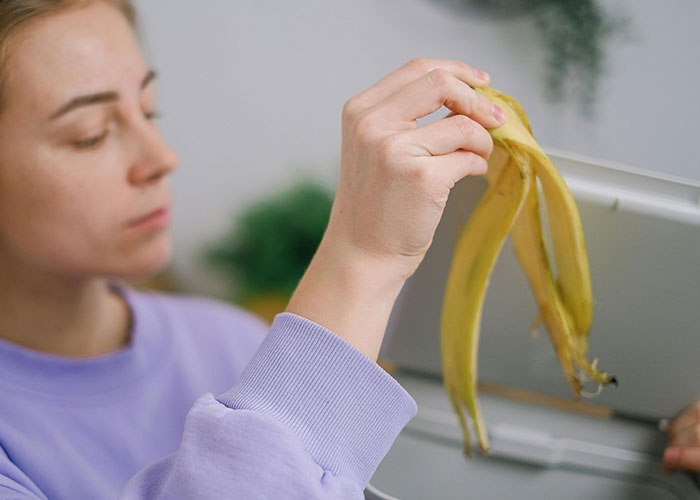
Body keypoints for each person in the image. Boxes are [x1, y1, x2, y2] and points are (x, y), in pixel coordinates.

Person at [0, 1, 695, 499]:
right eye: (90, 134)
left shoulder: (231, 345)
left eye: (150, 112)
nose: (161, 156)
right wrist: (361, 257)